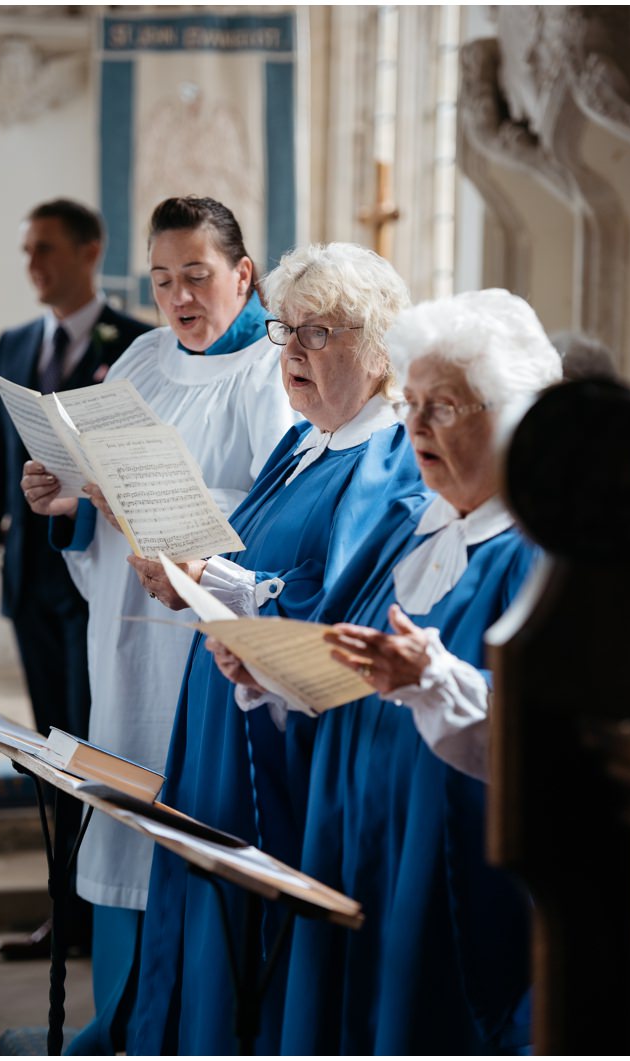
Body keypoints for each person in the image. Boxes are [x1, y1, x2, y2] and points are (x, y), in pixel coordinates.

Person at [207, 288, 564, 1053]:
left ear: (511, 416)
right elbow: (339, 660)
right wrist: (268, 671)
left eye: (446, 407)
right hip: (347, 833)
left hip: (441, 865)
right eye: (413, 403)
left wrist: (432, 678)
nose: (415, 426)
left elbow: (549, 741)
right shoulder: (406, 525)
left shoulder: (535, 554)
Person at [126, 242, 427, 1055]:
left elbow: (339, 601)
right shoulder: (303, 445)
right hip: (223, 703)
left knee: (247, 924)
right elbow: (253, 559)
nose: (291, 354)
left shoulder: (388, 459)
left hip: (279, 734)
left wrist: (210, 577)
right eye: (285, 331)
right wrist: (192, 570)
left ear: (377, 343)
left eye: (317, 335)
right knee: (202, 898)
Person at [20, 196, 296, 1052]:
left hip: (204, 647)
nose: (180, 297)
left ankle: (185, 1029)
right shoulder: (139, 359)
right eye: (164, 278)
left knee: (185, 825)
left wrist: (147, 498)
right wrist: (63, 499)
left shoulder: (270, 373)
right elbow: (99, 503)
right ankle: (116, 1026)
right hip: (127, 633)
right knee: (122, 818)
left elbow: (280, 514)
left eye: (199, 276)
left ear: (243, 274)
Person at [0, 199, 151, 962]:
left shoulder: (137, 342)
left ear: (89, 250)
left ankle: (99, 912)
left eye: (45, 248)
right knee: (48, 749)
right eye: (26, 250)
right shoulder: (14, 342)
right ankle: (61, 912)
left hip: (96, 581)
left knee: (91, 746)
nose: (33, 264)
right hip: (30, 581)